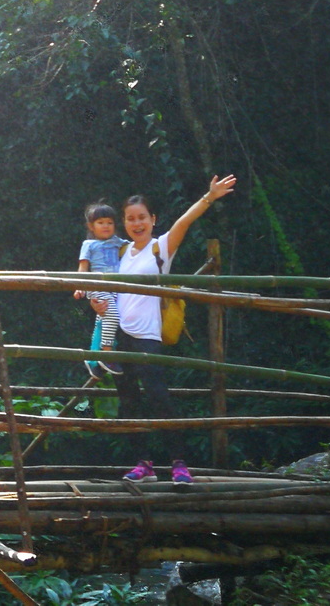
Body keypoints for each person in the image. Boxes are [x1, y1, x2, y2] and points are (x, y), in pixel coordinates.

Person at [114, 174, 236, 486]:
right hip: (122, 335)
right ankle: (143, 463)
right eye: (130, 219)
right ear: (124, 222)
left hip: (149, 337)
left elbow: (184, 221)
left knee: (159, 398)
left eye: (142, 217)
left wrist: (209, 197)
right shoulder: (121, 252)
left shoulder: (160, 248)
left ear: (153, 219)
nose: (137, 223)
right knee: (129, 402)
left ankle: (179, 463)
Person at [74, 203, 128, 377]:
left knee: (101, 321)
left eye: (109, 222)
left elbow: (136, 248)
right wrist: (79, 286)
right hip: (97, 285)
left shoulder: (119, 243)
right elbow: (83, 267)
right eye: (101, 222)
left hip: (114, 287)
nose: (106, 226)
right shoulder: (89, 244)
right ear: (91, 226)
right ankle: (107, 354)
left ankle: (92, 360)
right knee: (112, 315)